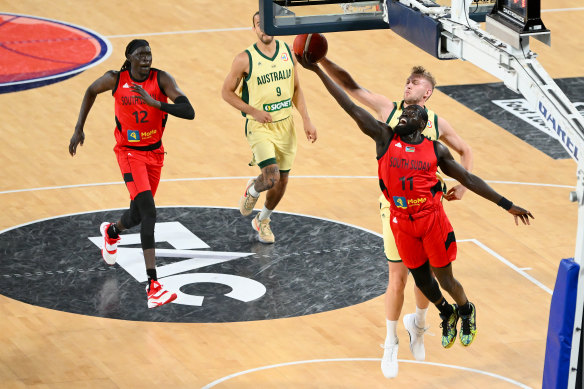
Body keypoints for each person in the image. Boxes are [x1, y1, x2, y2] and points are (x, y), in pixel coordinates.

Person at [297, 53, 533, 371]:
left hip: (431, 216)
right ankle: (441, 314)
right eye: (404, 112)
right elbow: (350, 104)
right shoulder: (385, 135)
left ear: (423, 122)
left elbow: (469, 177)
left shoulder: (436, 147)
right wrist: (315, 69)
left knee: (444, 279)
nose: (404, 113)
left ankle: (464, 310)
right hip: (399, 218)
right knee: (419, 280)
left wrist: (505, 204)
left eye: (411, 112)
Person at [320, 58, 474, 377]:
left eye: (415, 82)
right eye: (407, 80)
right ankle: (390, 343)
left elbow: (465, 150)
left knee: (427, 277)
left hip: (428, 210)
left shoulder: (437, 124)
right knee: (397, 278)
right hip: (393, 209)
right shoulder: (387, 109)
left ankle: (417, 324)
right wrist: (321, 59)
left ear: (428, 93)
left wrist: (464, 185)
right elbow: (351, 86)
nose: (408, 84)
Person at [69, 39, 195, 309]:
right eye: (141, 54)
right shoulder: (115, 80)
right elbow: (90, 91)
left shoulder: (161, 80)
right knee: (150, 213)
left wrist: (155, 103)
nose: (147, 57)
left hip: (155, 154)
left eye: (149, 53)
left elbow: (189, 111)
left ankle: (112, 232)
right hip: (129, 153)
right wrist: (79, 127)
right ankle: (154, 286)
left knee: (138, 214)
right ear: (130, 57)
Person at [221, 12, 317, 244]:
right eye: (258, 25)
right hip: (259, 125)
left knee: (282, 182)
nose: (263, 30)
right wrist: (253, 111)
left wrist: (306, 119)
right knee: (271, 177)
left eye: (266, 25)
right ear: (254, 28)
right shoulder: (244, 59)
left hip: (286, 125)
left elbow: (296, 89)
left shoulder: (287, 52)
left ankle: (262, 220)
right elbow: (226, 92)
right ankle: (252, 191)